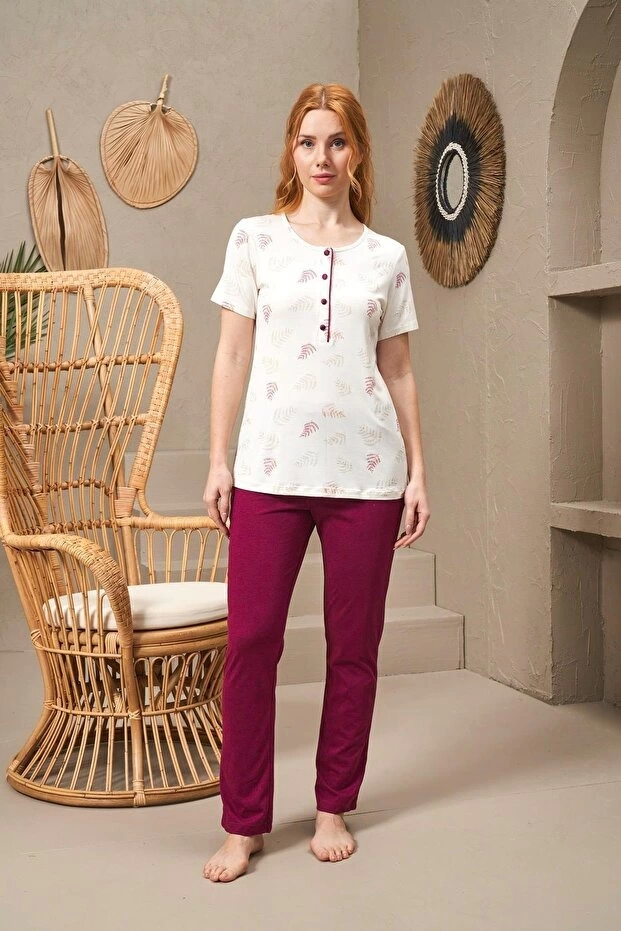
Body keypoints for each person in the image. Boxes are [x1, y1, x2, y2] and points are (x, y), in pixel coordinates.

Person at [202, 82, 430, 883]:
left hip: (366, 475)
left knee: (353, 648)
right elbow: (232, 354)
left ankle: (333, 804)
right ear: (290, 151)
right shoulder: (254, 239)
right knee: (250, 642)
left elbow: (397, 370)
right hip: (269, 469)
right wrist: (219, 459)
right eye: (307, 142)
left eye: (336, 141)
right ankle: (243, 821)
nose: (321, 157)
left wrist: (417, 471)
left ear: (356, 150)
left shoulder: (386, 257)